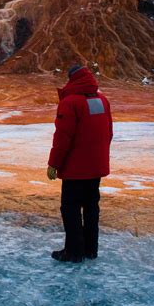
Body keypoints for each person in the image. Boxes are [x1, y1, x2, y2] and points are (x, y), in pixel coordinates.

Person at [47, 65, 113, 263]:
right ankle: (90, 249)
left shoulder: (70, 103)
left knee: (70, 208)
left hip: (76, 169)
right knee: (91, 207)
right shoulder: (102, 100)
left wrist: (54, 164)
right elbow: (109, 132)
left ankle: (74, 252)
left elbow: (63, 138)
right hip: (96, 167)